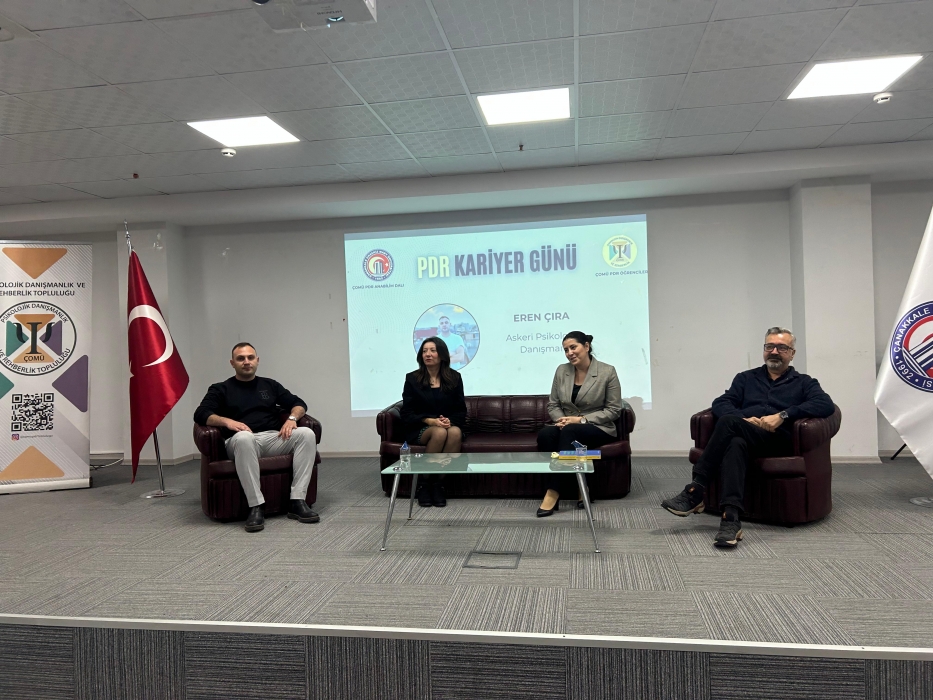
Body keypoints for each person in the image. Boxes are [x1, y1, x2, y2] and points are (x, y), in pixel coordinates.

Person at [661, 327, 834, 548]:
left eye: (782, 348)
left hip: (777, 441)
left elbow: (825, 404)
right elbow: (721, 403)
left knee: (729, 424)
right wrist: (745, 420)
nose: (774, 351)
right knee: (735, 442)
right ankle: (730, 519)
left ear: (792, 354)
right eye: (769, 346)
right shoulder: (746, 378)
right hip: (747, 436)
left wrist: (783, 415)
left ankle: (696, 490)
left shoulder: (804, 382)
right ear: (764, 350)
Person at [194, 342, 319, 533]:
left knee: (306, 434)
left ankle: (297, 501)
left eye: (250, 357)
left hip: (271, 438)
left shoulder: (270, 385)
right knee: (244, 438)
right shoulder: (220, 389)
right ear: (232, 363)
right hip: (239, 442)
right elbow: (201, 413)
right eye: (240, 358)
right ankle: (256, 506)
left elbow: (299, 403)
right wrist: (226, 421)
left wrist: (292, 419)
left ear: (257, 360)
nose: (246, 362)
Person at [536, 331, 622, 517]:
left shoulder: (607, 372)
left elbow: (614, 410)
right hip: (567, 425)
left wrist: (581, 420)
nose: (569, 353)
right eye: (566, 350)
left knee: (571, 432)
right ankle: (581, 487)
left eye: (573, 347)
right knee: (545, 435)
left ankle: (553, 492)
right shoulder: (562, 370)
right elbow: (553, 404)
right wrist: (562, 420)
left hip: (598, 427)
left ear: (587, 346)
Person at [401, 336, 467, 508]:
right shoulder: (412, 379)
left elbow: (461, 410)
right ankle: (424, 483)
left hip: (447, 425)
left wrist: (449, 420)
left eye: (432, 350)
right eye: (424, 351)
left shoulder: (455, 377)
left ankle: (438, 483)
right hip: (420, 426)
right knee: (439, 432)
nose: (428, 354)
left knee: (454, 432)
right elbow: (407, 413)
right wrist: (430, 420)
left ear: (442, 355)